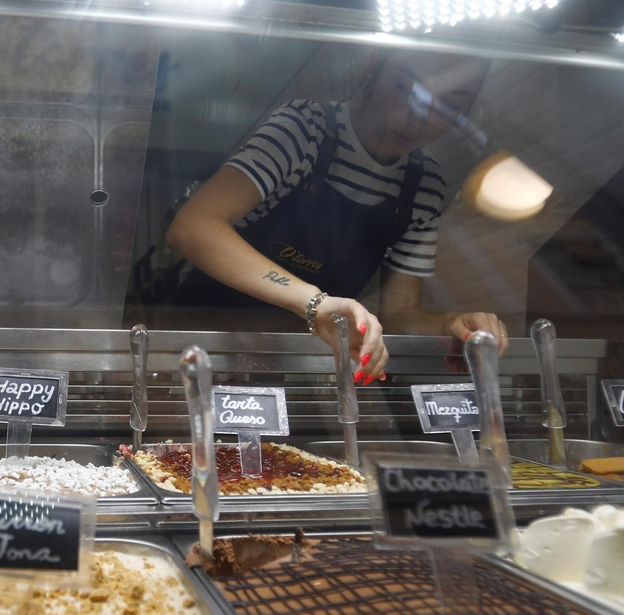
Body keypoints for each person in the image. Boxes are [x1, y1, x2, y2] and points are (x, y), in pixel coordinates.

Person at [159, 48, 511, 383]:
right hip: (201, 350)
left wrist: (453, 323)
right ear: (374, 68)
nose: (418, 116)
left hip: (295, 364)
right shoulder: (306, 129)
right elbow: (193, 227)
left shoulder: (424, 185)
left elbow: (400, 311)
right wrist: (315, 303)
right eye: (405, 87)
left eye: (449, 105)